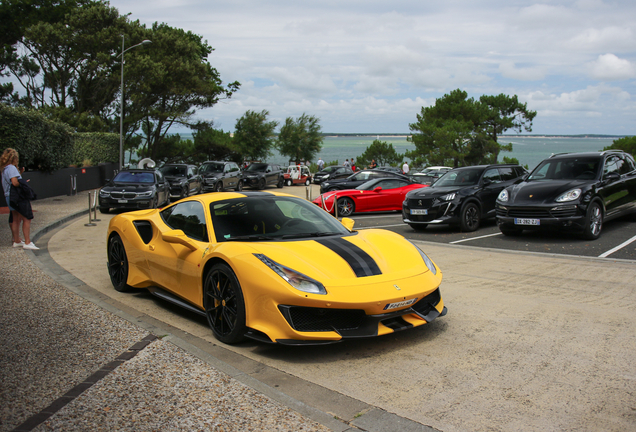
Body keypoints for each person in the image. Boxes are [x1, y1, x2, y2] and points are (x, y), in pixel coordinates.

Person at [1, 148, 38, 250]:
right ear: (14, 158)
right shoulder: (11, 168)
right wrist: (22, 183)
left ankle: (16, 240)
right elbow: (15, 182)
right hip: (17, 197)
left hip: (9, 196)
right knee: (27, 217)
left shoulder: (4, 169)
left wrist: (19, 174)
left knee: (15, 218)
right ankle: (27, 242)